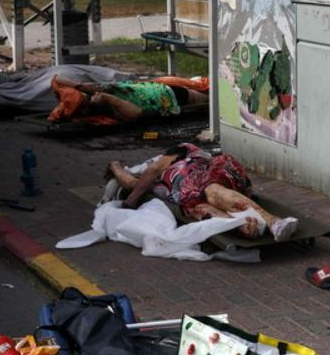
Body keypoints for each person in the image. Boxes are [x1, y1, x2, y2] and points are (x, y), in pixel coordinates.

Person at [106, 143, 298, 241]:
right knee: (198, 208)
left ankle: (274, 223)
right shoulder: (152, 183)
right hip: (192, 196)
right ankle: (244, 226)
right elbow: (131, 183)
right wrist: (115, 167)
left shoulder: (184, 153)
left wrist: (130, 202)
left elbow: (153, 170)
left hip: (215, 175)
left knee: (212, 190)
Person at [52, 77, 208, 123]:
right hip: (166, 97)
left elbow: (57, 79)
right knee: (205, 101)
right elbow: (135, 114)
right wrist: (108, 98)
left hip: (159, 90)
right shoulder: (107, 106)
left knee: (205, 95)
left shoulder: (95, 93)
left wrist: (78, 86)